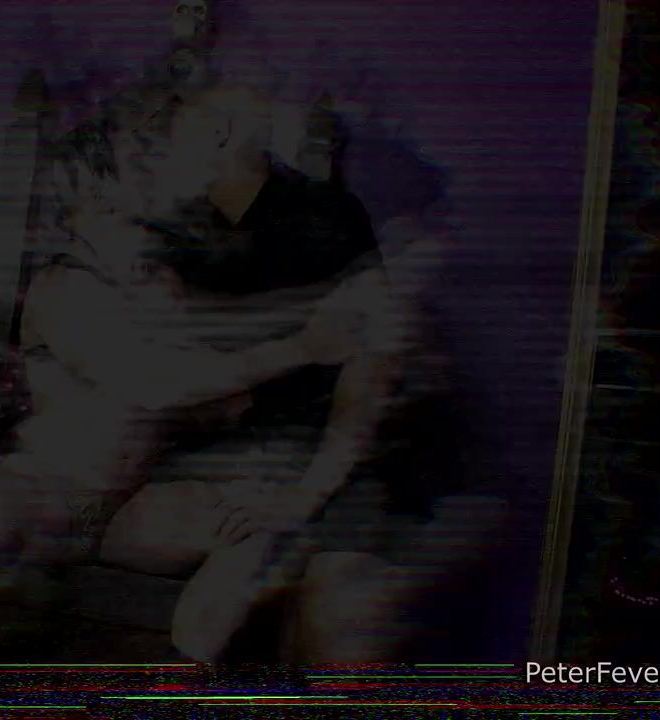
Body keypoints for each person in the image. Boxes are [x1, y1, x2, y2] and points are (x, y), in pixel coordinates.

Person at [0, 97, 363, 650]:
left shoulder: (165, 284)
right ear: (84, 214)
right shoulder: (67, 287)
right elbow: (154, 383)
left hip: (129, 505)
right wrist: (300, 348)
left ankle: (201, 653)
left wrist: (229, 405)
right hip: (42, 489)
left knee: (247, 521)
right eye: (126, 211)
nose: (150, 226)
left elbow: (215, 386)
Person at [93, 84, 498, 663]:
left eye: (159, 151)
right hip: (253, 452)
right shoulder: (185, 234)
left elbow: (369, 378)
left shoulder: (321, 221)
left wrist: (303, 498)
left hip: (343, 460)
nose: (150, 169)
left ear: (216, 137)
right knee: (133, 540)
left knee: (228, 618)